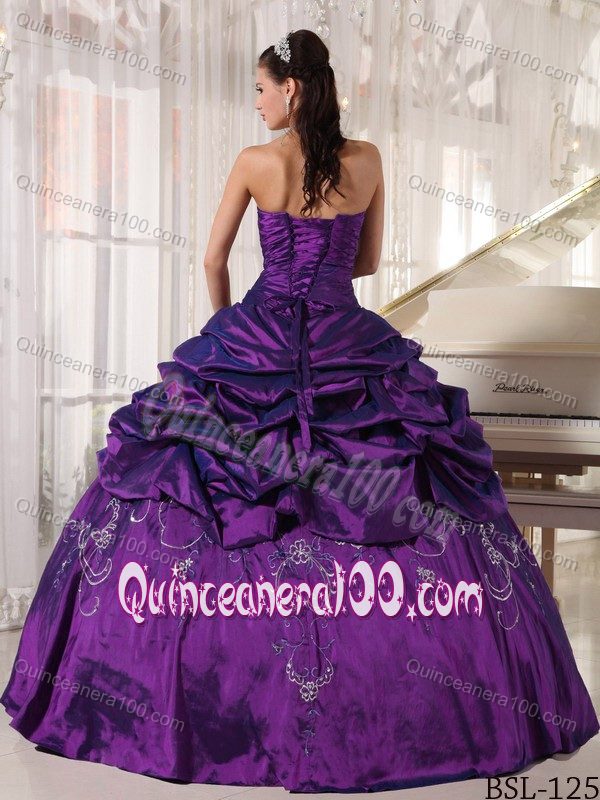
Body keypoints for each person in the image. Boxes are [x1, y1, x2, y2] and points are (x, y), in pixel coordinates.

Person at [1, 28, 598, 795]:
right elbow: (367, 262)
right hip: (347, 333)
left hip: (260, 332)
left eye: (260, 89)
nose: (254, 102)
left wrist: (227, 332)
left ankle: (218, 699)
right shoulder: (368, 160)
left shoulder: (258, 162)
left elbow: (213, 258)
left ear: (291, 89)